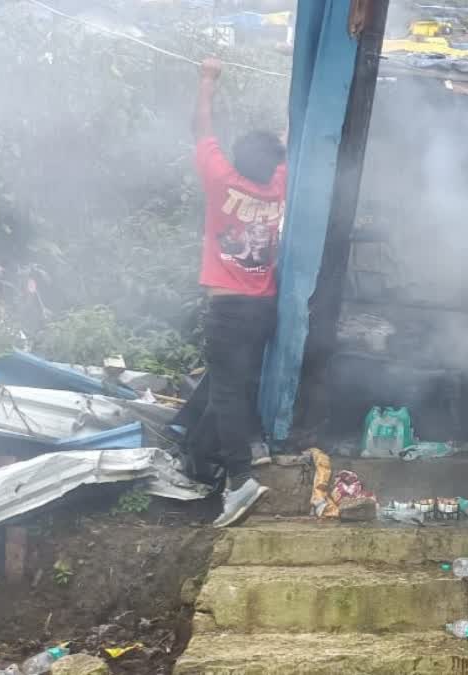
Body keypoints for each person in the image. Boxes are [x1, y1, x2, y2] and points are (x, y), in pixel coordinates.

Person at [193, 57, 287, 527]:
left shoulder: (220, 179)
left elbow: (201, 128)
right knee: (242, 383)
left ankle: (239, 481)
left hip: (227, 307)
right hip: (264, 307)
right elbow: (288, 146)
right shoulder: (279, 187)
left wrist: (208, 80)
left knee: (228, 391)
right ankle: (242, 448)